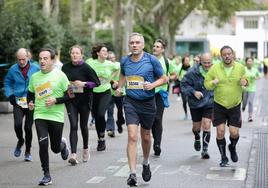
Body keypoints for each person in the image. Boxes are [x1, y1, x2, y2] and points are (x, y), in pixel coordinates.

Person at [115, 32, 167, 186]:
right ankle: (132, 173)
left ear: (143, 45)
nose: (135, 45)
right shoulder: (125, 61)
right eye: (132, 43)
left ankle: (145, 162)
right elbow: (123, 75)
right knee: (132, 136)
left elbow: (164, 78)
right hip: (130, 102)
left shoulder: (151, 60)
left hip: (148, 103)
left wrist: (152, 85)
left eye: (138, 42)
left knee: (146, 137)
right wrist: (119, 87)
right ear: (129, 45)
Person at [27, 48, 71, 185]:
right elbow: (30, 94)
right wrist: (30, 103)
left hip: (56, 116)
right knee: (42, 143)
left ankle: (62, 145)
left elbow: (70, 95)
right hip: (40, 114)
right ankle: (46, 175)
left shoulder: (61, 76)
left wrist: (55, 100)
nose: (42, 61)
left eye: (45, 58)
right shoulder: (34, 77)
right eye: (40, 58)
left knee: (55, 148)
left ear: (52, 60)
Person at [204, 45, 248, 167]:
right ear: (221, 56)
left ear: (232, 54)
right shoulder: (215, 68)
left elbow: (246, 79)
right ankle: (223, 157)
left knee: (234, 133)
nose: (227, 56)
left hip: (235, 105)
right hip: (219, 104)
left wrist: (245, 82)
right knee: (220, 131)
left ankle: (232, 147)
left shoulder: (240, 67)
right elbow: (206, 84)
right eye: (224, 54)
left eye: (229, 54)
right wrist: (212, 82)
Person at [62, 45, 100, 165]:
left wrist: (83, 84)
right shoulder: (65, 67)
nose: (74, 55)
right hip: (71, 100)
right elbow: (61, 81)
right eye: (73, 53)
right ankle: (73, 154)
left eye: (77, 53)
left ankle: (85, 148)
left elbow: (97, 83)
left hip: (85, 101)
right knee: (73, 125)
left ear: (81, 55)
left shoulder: (86, 68)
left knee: (83, 126)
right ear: (70, 54)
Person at [4, 48, 40, 161]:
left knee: (28, 128)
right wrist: (10, 95)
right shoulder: (13, 69)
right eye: (19, 60)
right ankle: (20, 140)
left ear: (28, 57)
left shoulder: (36, 68)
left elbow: (42, 81)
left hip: (31, 102)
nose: (21, 62)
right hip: (18, 102)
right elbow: (7, 82)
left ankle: (28, 151)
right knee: (17, 125)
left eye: (23, 59)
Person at [86, 44, 119, 151]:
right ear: (98, 53)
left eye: (107, 51)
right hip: (93, 93)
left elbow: (119, 69)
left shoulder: (110, 64)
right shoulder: (90, 62)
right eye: (103, 51)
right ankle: (100, 139)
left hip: (105, 92)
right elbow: (84, 70)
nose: (106, 52)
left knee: (101, 114)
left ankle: (102, 138)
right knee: (97, 116)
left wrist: (112, 80)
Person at [181, 53, 213, 159]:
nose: (207, 65)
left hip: (209, 101)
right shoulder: (192, 72)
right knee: (196, 127)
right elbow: (184, 85)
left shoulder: (215, 71)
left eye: (209, 63)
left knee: (207, 125)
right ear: (200, 62)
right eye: (205, 63)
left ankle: (205, 150)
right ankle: (197, 137)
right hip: (195, 103)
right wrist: (194, 92)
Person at [151, 39, 176, 156]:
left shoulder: (167, 62)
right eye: (154, 46)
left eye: (158, 46)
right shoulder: (148, 60)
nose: (155, 48)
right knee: (151, 119)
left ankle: (157, 144)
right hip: (148, 92)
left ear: (162, 49)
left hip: (161, 92)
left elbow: (174, 75)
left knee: (157, 118)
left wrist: (168, 78)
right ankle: (155, 139)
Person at [105, 51, 125, 137]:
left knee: (120, 111)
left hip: (120, 92)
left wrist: (118, 83)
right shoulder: (105, 66)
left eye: (112, 58)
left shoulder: (119, 65)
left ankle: (119, 122)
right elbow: (103, 77)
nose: (111, 60)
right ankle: (110, 129)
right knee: (109, 111)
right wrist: (112, 82)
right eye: (109, 58)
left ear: (115, 58)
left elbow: (125, 76)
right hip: (109, 92)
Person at [242, 57, 261, 122]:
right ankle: (243, 106)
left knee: (250, 102)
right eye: (248, 61)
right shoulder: (243, 69)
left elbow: (259, 76)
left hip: (252, 89)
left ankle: (250, 116)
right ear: (246, 62)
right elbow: (240, 77)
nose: (249, 62)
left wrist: (256, 77)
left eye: (251, 61)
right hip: (245, 88)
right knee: (244, 101)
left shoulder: (255, 70)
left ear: (252, 62)